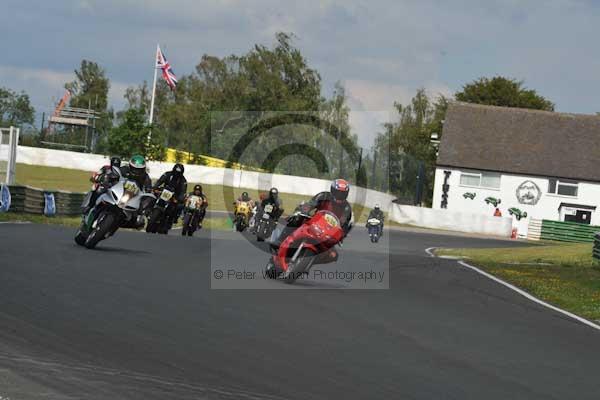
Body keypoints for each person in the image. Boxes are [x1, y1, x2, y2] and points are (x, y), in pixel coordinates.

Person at [271, 178, 352, 252]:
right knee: (297, 218)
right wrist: (303, 210)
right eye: (338, 193)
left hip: (327, 232)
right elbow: (310, 204)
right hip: (314, 222)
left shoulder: (346, 208)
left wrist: (341, 235)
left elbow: (343, 224)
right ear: (332, 190)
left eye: (342, 194)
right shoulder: (323, 196)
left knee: (333, 254)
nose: (339, 196)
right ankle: (280, 241)